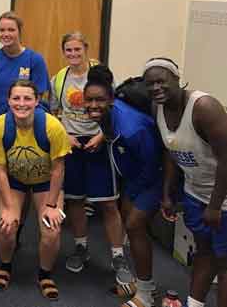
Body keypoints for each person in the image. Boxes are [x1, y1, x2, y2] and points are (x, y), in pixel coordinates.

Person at [50, 33, 130, 284]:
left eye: (77, 49)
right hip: (72, 142)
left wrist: (102, 135)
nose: (73, 54)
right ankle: (81, 248)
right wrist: (65, 136)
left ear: (86, 49)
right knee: (74, 199)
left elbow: (113, 107)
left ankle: (118, 255)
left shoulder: (101, 74)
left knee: (107, 202)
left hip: (99, 140)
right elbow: (55, 112)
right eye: (68, 50)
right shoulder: (59, 79)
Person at [146, 57, 227, 307]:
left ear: (177, 79)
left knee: (225, 263)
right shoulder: (157, 107)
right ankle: (195, 303)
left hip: (222, 197)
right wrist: (168, 193)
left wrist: (215, 206)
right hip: (195, 192)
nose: (156, 88)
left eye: (162, 81)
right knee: (204, 251)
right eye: (150, 84)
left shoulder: (205, 108)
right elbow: (171, 151)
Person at [82, 65, 164, 307]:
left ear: (111, 99)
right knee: (130, 220)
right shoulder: (109, 116)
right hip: (135, 175)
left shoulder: (132, 128)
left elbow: (153, 165)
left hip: (154, 176)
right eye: (89, 100)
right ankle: (142, 282)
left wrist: (136, 192)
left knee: (134, 225)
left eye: (99, 100)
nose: (93, 105)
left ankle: (146, 294)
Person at [0, 79, 70, 300]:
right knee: (7, 226)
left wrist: (51, 206)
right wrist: (11, 208)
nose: (22, 103)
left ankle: (45, 274)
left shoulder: (52, 127)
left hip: (46, 183)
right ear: (8, 100)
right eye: (16, 98)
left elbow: (59, 169)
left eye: (27, 98)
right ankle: (5, 266)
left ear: (37, 101)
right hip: (15, 181)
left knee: (51, 229)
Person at [0, 11, 50, 251]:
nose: (6, 34)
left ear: (20, 31)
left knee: (20, 181)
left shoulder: (34, 60)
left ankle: (16, 229)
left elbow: (40, 98)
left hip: (25, 131)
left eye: (11, 30)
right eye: (2, 30)